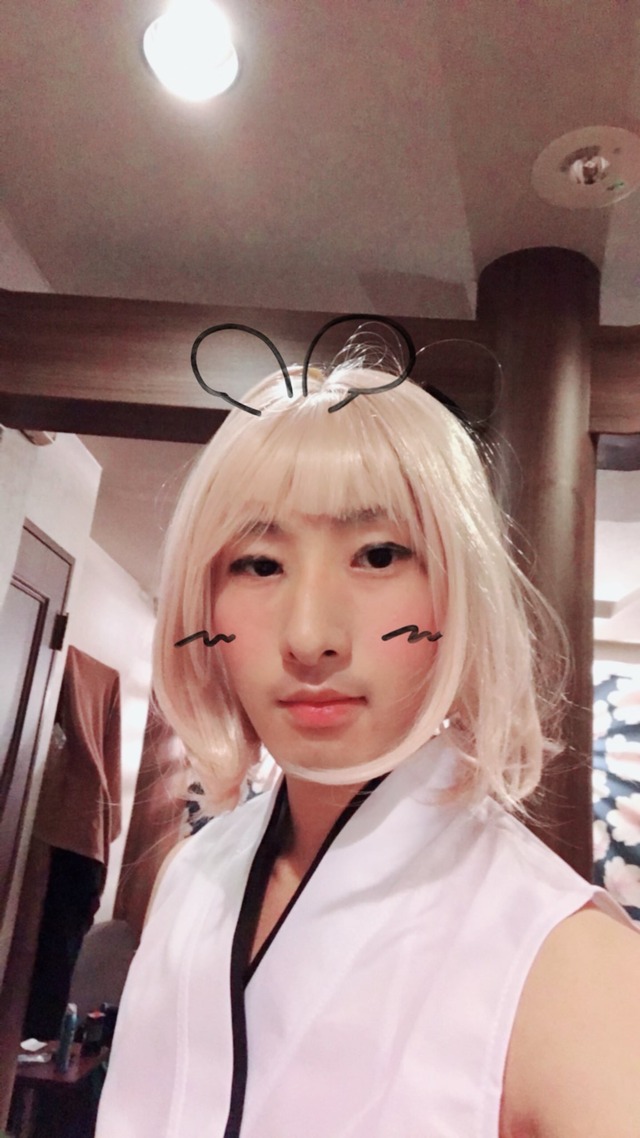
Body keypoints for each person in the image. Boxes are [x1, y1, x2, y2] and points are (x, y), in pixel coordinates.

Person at [96, 337, 640, 1138]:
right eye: (258, 563)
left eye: (378, 555)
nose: (310, 637)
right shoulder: (191, 878)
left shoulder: (568, 968)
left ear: (460, 589)